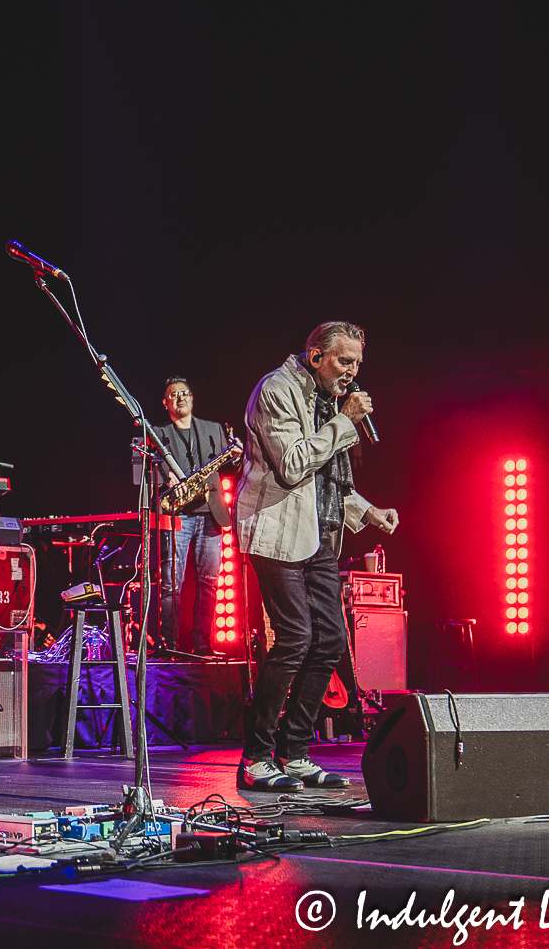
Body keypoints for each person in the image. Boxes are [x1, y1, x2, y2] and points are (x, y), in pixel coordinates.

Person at [234, 321, 400, 791]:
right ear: (315, 356)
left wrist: (367, 511)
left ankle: (296, 752)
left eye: (357, 364)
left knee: (330, 641)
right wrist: (344, 422)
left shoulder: (325, 401)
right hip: (277, 532)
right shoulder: (277, 390)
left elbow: (325, 483)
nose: (351, 372)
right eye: (344, 361)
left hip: (319, 533)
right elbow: (291, 467)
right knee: (294, 639)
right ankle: (256, 758)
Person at [150, 377, 229, 655]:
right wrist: (165, 476)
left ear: (192, 398)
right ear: (166, 402)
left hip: (211, 514)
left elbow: (229, 468)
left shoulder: (214, 429)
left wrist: (240, 456)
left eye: (185, 394)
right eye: (174, 395)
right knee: (171, 583)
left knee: (210, 583)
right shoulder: (158, 433)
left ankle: (203, 645)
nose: (180, 398)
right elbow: (150, 469)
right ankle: (169, 644)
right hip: (178, 514)